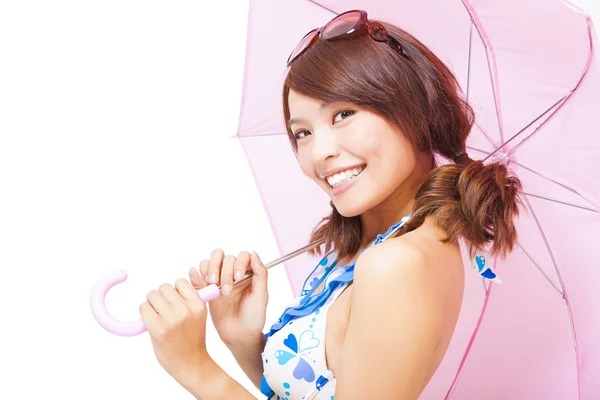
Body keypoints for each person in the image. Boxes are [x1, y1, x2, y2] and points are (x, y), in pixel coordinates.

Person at [139, 9, 522, 400]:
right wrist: (243, 342)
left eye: (343, 114)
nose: (318, 153)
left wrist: (196, 370)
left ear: (415, 110)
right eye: (302, 132)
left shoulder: (396, 264)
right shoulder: (371, 249)